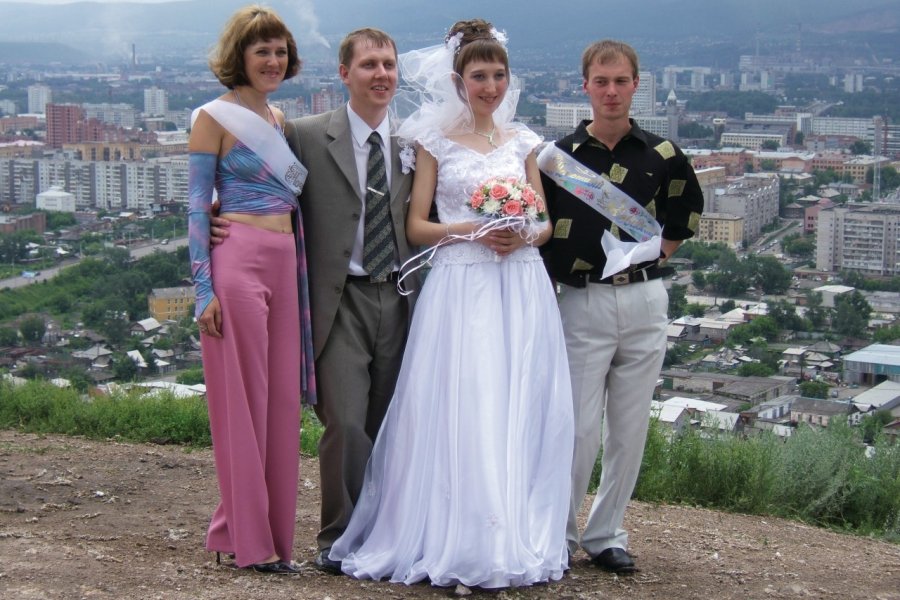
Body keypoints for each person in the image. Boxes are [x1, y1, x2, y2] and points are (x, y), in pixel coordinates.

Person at [328, 19, 574, 589]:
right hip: (462, 285)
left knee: (516, 401)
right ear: (458, 80)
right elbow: (416, 225)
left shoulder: (524, 142)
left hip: (520, 283)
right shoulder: (432, 143)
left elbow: (544, 222)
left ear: (509, 80)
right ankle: (457, 533)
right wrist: (473, 230)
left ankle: (508, 529)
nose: (489, 85)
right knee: (466, 402)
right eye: (478, 75)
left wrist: (520, 232)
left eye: (498, 75)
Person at [210, 27, 416, 573]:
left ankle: (388, 533)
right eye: (368, 64)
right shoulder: (301, 133)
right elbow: (244, 173)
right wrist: (217, 213)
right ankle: (338, 536)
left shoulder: (417, 144)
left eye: (389, 64)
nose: (381, 75)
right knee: (346, 422)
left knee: (391, 422)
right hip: (336, 299)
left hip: (400, 297)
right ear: (344, 74)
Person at [539, 39, 704, 574]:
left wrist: (647, 257)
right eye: (601, 81)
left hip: (644, 299)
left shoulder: (663, 155)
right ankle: (558, 535)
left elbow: (685, 219)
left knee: (630, 428)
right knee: (578, 428)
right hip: (580, 302)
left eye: (621, 81)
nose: (611, 91)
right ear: (584, 86)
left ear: (637, 85)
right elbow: (540, 232)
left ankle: (606, 533)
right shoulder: (555, 158)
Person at [187, 4, 314, 574]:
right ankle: (248, 543)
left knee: (281, 402)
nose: (272, 59)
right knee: (242, 401)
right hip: (236, 263)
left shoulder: (280, 118)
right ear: (239, 56)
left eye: (280, 50)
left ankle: (251, 533)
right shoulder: (213, 116)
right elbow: (195, 206)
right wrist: (201, 290)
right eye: (261, 50)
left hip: (285, 262)